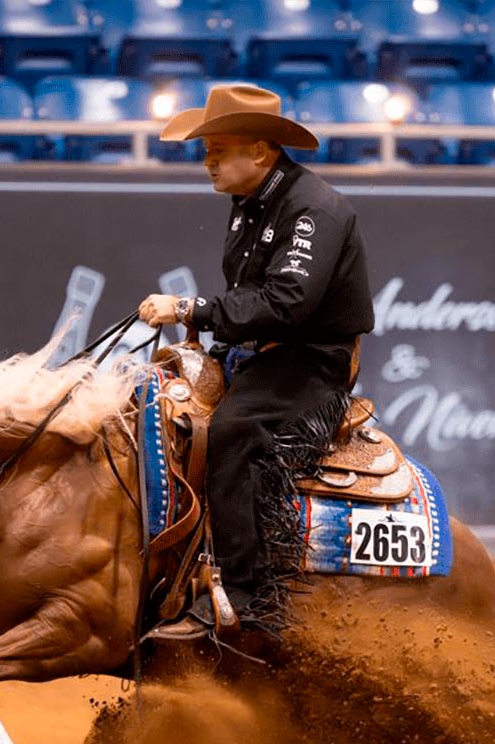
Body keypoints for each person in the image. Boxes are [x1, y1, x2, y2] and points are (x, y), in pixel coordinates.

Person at [139, 85, 374, 640]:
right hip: (258, 355)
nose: (207, 160)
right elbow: (252, 299)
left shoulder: (314, 209)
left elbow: (287, 303)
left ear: (262, 151)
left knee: (236, 432)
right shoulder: (251, 205)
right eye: (205, 150)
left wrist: (191, 308)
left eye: (218, 148)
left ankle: (253, 601)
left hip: (310, 362)